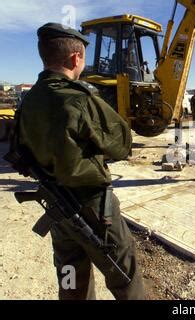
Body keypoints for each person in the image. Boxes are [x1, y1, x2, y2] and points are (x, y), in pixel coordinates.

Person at [16, 23, 146, 300]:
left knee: (70, 276)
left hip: (57, 205)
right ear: (76, 58)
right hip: (94, 206)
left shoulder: (28, 101)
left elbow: (20, 153)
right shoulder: (80, 99)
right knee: (124, 275)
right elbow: (122, 144)